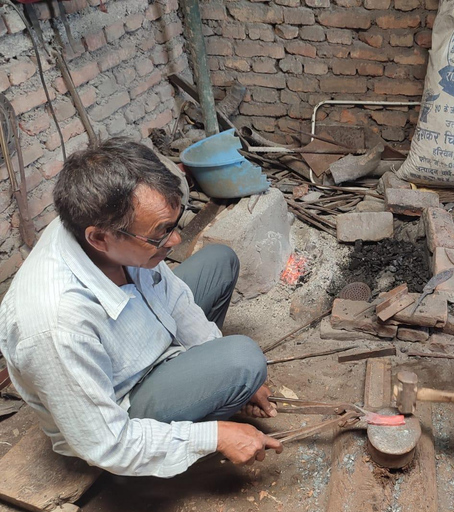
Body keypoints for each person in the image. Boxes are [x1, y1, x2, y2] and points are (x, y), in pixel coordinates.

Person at [0, 139, 282, 477]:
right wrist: (213, 435)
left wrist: (234, 381)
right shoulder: (56, 324)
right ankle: (187, 410)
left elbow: (174, 297)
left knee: (220, 261)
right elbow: (108, 443)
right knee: (244, 359)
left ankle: (206, 384)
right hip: (124, 403)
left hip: (145, 345)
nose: (175, 240)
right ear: (99, 238)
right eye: (161, 233)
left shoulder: (107, 228)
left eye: (173, 225)